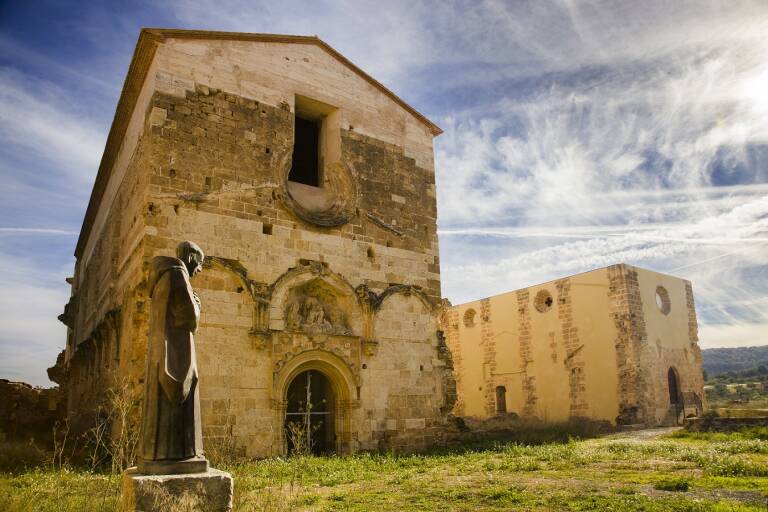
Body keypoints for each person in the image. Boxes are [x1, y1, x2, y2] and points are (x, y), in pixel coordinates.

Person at [138, 241, 208, 474]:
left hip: (165, 349)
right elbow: (188, 316)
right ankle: (181, 455)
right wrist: (197, 304)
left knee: (162, 408)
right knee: (180, 398)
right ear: (190, 258)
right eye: (199, 264)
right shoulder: (177, 275)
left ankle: (160, 454)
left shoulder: (161, 277)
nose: (199, 270)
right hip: (177, 352)